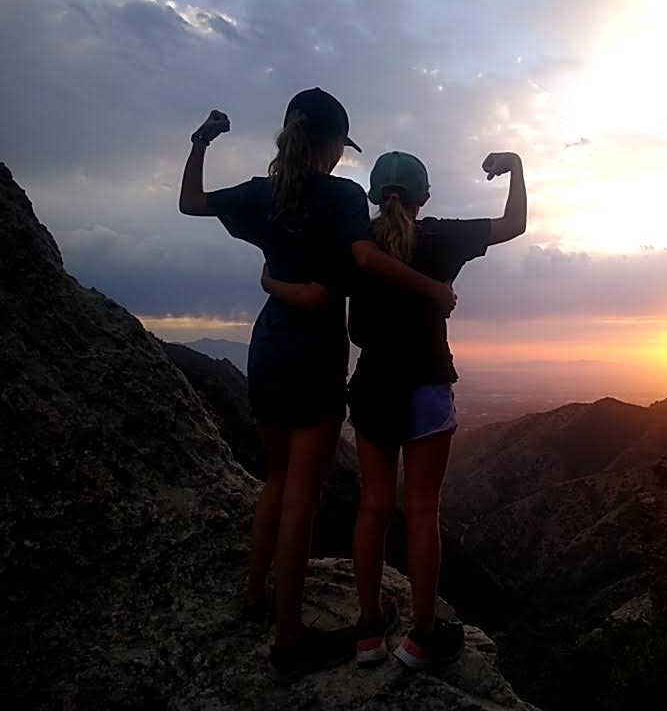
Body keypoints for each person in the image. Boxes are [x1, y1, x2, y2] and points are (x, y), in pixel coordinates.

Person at [178, 89, 457, 683]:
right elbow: (350, 267)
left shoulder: (263, 193)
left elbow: (191, 203)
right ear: (334, 145)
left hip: (267, 351)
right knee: (303, 498)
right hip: (314, 360)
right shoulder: (342, 196)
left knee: (276, 481)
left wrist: (201, 142)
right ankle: (288, 643)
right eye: (340, 145)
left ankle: (256, 596)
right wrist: (432, 290)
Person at [262, 149, 526, 670]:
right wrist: (515, 167)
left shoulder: (354, 243)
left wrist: (269, 282)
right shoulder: (442, 237)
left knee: (373, 507)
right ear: (424, 196)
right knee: (423, 511)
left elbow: (314, 291)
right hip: (426, 385)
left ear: (375, 196)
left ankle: (368, 633)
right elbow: (514, 224)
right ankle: (423, 637)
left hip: (372, 386)